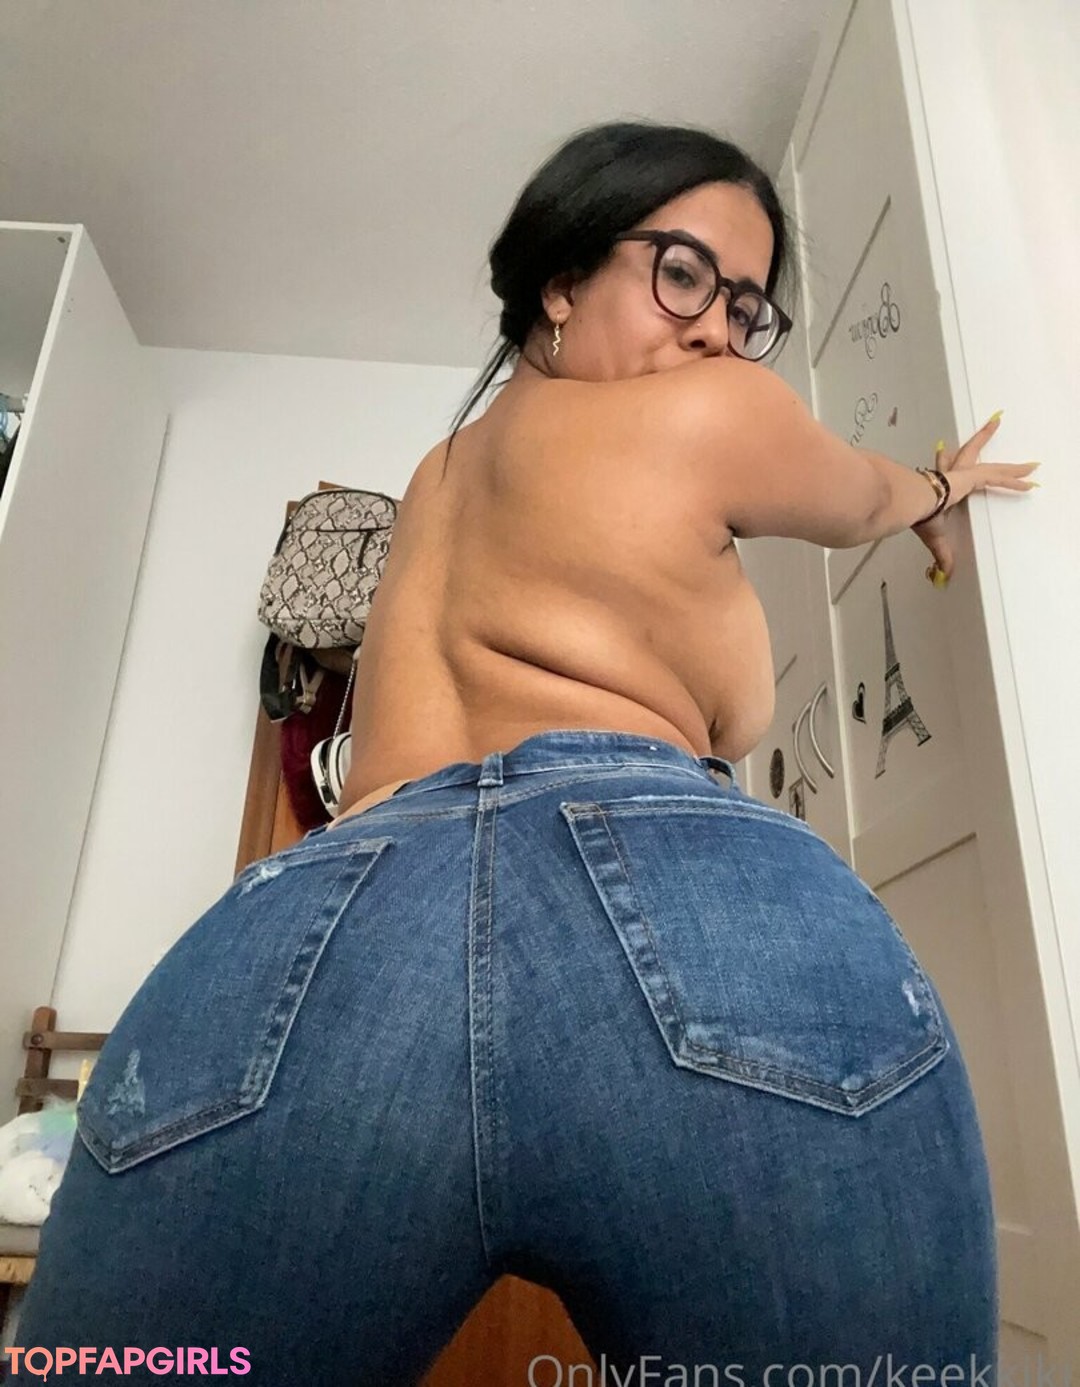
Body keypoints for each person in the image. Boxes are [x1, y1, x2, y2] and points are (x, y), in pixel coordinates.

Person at [15, 120, 1035, 1385]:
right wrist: (939, 489)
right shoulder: (713, 409)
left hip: (321, 910)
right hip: (665, 864)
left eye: (747, 307)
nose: (719, 331)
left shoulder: (434, 477)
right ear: (561, 280)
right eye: (684, 273)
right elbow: (861, 496)